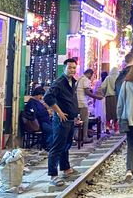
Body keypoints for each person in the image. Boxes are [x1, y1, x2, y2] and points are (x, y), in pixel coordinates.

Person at [44, 58, 81, 187]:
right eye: (69, 68)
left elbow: (71, 100)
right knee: (57, 147)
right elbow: (48, 97)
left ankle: (66, 168)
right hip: (61, 120)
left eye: (74, 68)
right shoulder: (59, 82)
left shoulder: (72, 82)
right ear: (64, 68)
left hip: (70, 119)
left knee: (66, 145)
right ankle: (53, 175)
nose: (72, 70)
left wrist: (76, 115)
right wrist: (59, 112)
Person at [77, 68, 103, 143]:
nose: (91, 78)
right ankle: (85, 137)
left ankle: (80, 136)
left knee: (80, 121)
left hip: (78, 102)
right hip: (82, 103)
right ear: (89, 74)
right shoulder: (85, 79)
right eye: (91, 76)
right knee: (85, 120)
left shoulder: (79, 79)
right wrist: (97, 97)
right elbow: (87, 92)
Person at [100, 67, 119, 133]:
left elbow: (102, 87)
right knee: (116, 113)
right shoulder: (119, 78)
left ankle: (107, 127)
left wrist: (104, 93)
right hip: (117, 97)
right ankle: (116, 128)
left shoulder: (108, 78)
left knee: (109, 113)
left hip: (108, 97)